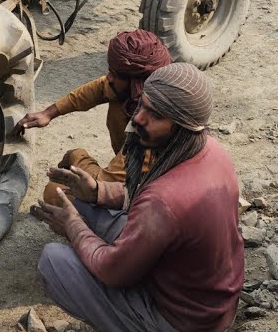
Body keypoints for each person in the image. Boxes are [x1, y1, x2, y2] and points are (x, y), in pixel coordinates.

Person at [32, 63, 244, 332]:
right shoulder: (212, 151)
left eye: (155, 115)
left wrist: (73, 227)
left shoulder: (163, 201)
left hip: (182, 322)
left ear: (181, 127)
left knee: (54, 260)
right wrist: (99, 192)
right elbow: (151, 201)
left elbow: (112, 271)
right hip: (213, 304)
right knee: (80, 203)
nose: (138, 119)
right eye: (142, 106)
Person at [14, 30, 171, 203]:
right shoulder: (133, 93)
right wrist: (48, 113)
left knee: (53, 193)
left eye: (116, 74)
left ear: (137, 84)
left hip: (148, 195)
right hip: (128, 174)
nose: (108, 77)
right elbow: (98, 88)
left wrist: (76, 156)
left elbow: (104, 184)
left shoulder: (151, 130)